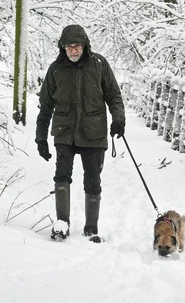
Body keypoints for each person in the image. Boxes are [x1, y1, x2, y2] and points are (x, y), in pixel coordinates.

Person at [35, 24, 125, 242]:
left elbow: (114, 95)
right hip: (65, 132)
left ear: (85, 46)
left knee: (93, 181)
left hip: (93, 132)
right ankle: (62, 222)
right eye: (69, 47)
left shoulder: (99, 65)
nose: (73, 51)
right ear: (62, 48)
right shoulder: (56, 70)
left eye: (77, 46)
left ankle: (91, 227)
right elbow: (45, 105)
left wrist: (118, 119)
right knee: (62, 176)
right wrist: (41, 137)